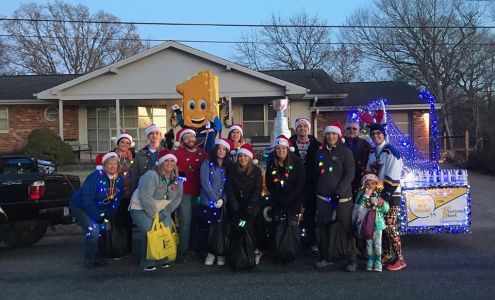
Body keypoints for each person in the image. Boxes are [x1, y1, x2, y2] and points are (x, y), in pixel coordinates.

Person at [129, 150, 183, 271]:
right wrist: (154, 215)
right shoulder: (151, 175)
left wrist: (165, 213)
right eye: (166, 161)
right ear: (160, 163)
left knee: (167, 229)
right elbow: (145, 197)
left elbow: (177, 199)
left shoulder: (178, 180)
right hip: (141, 208)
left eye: (172, 161)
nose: (169, 163)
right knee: (151, 231)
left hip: (162, 210)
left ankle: (162, 257)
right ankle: (147, 260)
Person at [314, 121, 357, 272]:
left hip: (343, 198)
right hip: (323, 198)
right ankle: (327, 256)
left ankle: (351, 258)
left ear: (338, 136)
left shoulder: (346, 152)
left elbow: (350, 174)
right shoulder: (320, 153)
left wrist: (339, 192)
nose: (331, 136)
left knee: (345, 228)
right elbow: (316, 174)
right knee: (323, 227)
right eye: (328, 134)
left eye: (334, 134)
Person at [70, 152, 124, 269]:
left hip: (100, 208)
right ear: (104, 165)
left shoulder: (118, 180)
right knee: (93, 230)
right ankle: (89, 259)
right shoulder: (95, 177)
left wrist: (108, 214)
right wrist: (96, 216)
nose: (112, 166)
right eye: (109, 163)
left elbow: (116, 200)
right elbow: (86, 198)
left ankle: (99, 256)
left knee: (106, 228)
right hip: (81, 206)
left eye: (115, 164)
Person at [366, 123, 406, 271]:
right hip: (376, 194)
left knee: (390, 226)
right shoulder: (372, 152)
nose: (376, 136)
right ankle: (388, 255)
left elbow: (393, 176)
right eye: (373, 134)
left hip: (391, 194)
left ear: (384, 134)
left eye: (379, 133)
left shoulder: (391, 151)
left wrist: (385, 195)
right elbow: (369, 171)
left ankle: (400, 259)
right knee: (381, 226)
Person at [265, 135, 306, 263]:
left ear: (287, 149)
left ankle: (291, 251)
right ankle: (279, 252)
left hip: (294, 200)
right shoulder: (272, 164)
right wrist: (278, 198)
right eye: (278, 149)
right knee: (279, 225)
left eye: (283, 148)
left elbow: (300, 183)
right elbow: (269, 183)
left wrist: (290, 198)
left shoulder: (297, 163)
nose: (281, 151)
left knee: (292, 226)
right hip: (278, 200)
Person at [174, 128, 208, 262]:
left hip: (200, 193)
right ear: (182, 140)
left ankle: (197, 249)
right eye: (186, 137)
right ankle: (183, 251)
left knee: (199, 222)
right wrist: (180, 179)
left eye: (192, 136)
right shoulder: (177, 154)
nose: (190, 139)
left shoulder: (203, 154)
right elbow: (172, 170)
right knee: (185, 223)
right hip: (184, 194)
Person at [227, 143, 263, 264]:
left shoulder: (256, 171)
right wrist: (236, 208)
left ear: (250, 158)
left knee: (246, 225)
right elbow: (230, 190)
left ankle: (254, 250)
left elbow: (257, 191)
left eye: (246, 156)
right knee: (237, 226)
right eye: (241, 156)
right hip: (237, 206)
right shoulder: (233, 170)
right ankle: (240, 250)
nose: (243, 158)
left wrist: (248, 209)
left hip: (251, 207)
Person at [289, 117, 321, 254]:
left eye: (305, 126)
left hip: (311, 184)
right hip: (294, 183)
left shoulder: (316, 145)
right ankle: (294, 241)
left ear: (308, 129)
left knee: (310, 213)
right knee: (295, 213)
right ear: (296, 129)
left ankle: (311, 240)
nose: (302, 128)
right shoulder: (289, 144)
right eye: (300, 126)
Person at [200, 138, 232, 266]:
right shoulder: (207, 163)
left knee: (221, 230)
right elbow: (205, 183)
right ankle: (210, 253)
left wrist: (223, 199)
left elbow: (228, 185)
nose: (221, 151)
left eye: (224, 149)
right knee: (209, 230)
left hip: (221, 204)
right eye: (219, 148)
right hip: (208, 202)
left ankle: (220, 252)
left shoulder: (228, 165)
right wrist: (215, 199)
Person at [354, 173, 389, 272]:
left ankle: (378, 261)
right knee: (369, 243)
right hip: (366, 224)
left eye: (373, 183)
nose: (370, 186)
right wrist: (365, 197)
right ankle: (370, 260)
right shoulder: (361, 194)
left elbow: (386, 209)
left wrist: (382, 204)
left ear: (376, 184)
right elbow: (358, 208)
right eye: (368, 184)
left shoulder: (380, 194)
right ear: (364, 185)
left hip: (377, 223)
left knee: (377, 243)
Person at [112, 131, 136, 257]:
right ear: (118, 143)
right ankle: (117, 247)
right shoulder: (112, 156)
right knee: (117, 220)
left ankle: (128, 248)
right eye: (122, 142)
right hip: (115, 193)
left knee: (128, 221)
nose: (125, 144)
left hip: (129, 193)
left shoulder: (132, 155)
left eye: (127, 142)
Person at [131, 124, 164, 192]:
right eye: (151, 133)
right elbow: (135, 176)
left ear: (160, 135)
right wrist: (134, 192)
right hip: (144, 190)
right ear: (148, 136)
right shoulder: (140, 154)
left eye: (157, 133)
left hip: (161, 191)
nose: (154, 135)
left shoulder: (166, 154)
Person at [344, 120, 372, 197]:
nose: (351, 130)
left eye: (354, 128)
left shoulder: (365, 144)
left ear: (358, 131)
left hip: (360, 180)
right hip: (343, 179)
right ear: (345, 130)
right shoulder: (339, 143)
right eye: (349, 128)